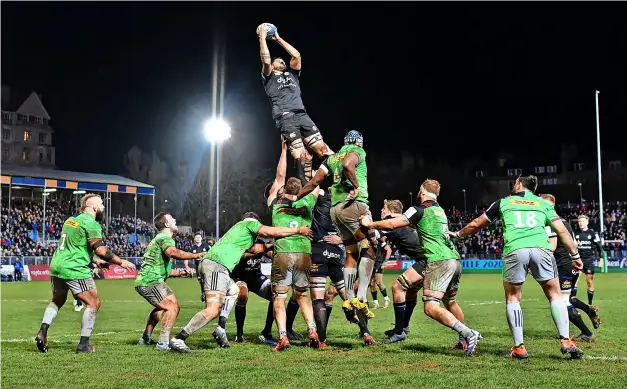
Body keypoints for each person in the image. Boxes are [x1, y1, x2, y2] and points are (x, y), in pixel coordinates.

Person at [448, 175, 584, 359]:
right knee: (555, 294)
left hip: (515, 249)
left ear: (520, 184)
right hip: (541, 248)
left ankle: (519, 348)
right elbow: (561, 230)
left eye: (514, 183)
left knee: (513, 298)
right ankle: (566, 341)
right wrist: (574, 255)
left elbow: (476, 224)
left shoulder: (504, 202)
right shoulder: (542, 204)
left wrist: (458, 235)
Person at [361, 181, 481, 356]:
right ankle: (461, 340)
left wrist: (369, 224)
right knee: (449, 301)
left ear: (422, 191)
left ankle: (469, 334)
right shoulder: (439, 210)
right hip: (454, 259)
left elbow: (395, 223)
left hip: (437, 260)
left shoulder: (418, 209)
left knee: (430, 306)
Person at [169, 212, 312, 353]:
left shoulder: (239, 232)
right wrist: (298, 230)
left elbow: (255, 249)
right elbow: (270, 232)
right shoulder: (249, 223)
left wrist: (271, 247)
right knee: (213, 309)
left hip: (219, 267)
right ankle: (180, 338)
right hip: (217, 266)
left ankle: (221, 328)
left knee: (234, 291)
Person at [286, 130, 376, 345]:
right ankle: (364, 324)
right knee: (369, 251)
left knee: (318, 294)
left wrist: (296, 194)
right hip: (338, 241)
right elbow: (346, 164)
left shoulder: (321, 190)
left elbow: (311, 183)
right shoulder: (353, 156)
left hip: (320, 245)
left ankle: (323, 339)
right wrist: (355, 186)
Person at [35, 193, 136, 353]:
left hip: (56, 266)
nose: (103, 207)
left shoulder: (71, 220)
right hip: (74, 269)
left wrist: (95, 261)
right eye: (101, 204)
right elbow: (102, 250)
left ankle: (43, 330)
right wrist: (121, 262)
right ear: (95, 207)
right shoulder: (91, 223)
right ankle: (83, 345)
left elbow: (76, 247)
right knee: (93, 303)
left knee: (57, 301)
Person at [258, 24, 333, 184]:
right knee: (301, 155)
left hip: (302, 114)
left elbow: (297, 56)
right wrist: (262, 38)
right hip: (285, 117)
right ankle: (304, 186)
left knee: (323, 150)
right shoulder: (269, 77)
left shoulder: (292, 75)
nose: (281, 61)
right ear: (272, 66)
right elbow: (265, 59)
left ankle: (338, 177)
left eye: (282, 60)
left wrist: (278, 38)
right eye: (277, 60)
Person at [135, 212, 205, 351]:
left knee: (162, 308)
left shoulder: (159, 239)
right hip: (151, 281)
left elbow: (161, 268)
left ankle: (145, 338)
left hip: (148, 279)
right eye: (172, 219)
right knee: (173, 307)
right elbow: (172, 252)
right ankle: (163, 344)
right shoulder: (165, 237)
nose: (175, 220)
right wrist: (195, 255)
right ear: (166, 224)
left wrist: (180, 272)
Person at [270, 171, 320, 351]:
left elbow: (278, 178)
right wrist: (310, 169)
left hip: (283, 252)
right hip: (303, 252)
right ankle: (312, 331)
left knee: (279, 298)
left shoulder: (276, 203)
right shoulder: (308, 202)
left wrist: (284, 149)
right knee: (302, 295)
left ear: (284, 190)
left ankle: (283, 337)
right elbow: (315, 186)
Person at [540, 194, 599, 342]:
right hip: (571, 264)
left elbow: (552, 247)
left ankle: (587, 333)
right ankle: (588, 309)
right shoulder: (563, 222)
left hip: (563, 266)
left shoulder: (549, 222)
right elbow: (574, 243)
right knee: (568, 298)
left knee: (562, 301)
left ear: (549, 206)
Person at [574, 215, 604, 307]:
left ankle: (590, 303)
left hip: (588, 260)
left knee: (589, 281)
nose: (581, 223)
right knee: (574, 281)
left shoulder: (592, 233)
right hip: (577, 260)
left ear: (587, 222)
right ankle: (571, 300)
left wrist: (601, 259)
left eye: (582, 221)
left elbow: (599, 247)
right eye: (579, 221)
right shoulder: (575, 233)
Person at [186, 232, 210, 302]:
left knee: (207, 281)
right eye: (196, 237)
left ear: (201, 238)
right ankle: (203, 294)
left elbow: (212, 254)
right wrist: (187, 266)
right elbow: (186, 257)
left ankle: (206, 294)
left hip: (207, 267)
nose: (198, 238)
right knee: (201, 282)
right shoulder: (192, 248)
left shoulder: (206, 246)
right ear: (194, 239)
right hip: (198, 268)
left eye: (199, 237)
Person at [370, 239, 391, 309]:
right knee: (372, 284)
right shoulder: (368, 241)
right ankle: (376, 303)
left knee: (379, 283)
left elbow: (389, 250)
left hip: (379, 263)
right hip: (371, 263)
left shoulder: (380, 241)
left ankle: (386, 299)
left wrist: (385, 261)